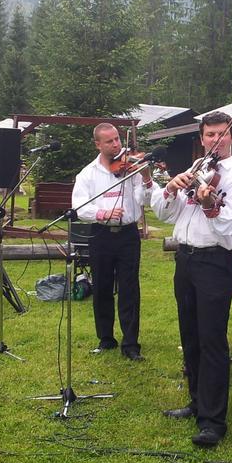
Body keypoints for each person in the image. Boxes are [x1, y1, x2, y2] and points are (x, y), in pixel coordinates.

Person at [151, 111, 232, 448]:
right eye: (210, 134)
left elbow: (230, 224)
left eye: (222, 134)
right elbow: (165, 215)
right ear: (202, 138)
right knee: (191, 335)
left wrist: (209, 202)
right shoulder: (197, 169)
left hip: (214, 261)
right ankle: (196, 403)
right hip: (186, 259)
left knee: (212, 341)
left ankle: (213, 421)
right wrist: (170, 187)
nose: (216, 140)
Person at [71, 123, 152, 361]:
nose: (117, 144)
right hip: (101, 235)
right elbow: (79, 206)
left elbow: (143, 200)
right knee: (102, 288)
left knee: (129, 288)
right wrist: (101, 214)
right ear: (98, 144)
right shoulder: (88, 173)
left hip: (128, 234)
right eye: (110, 141)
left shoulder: (132, 166)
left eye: (118, 139)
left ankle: (130, 343)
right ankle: (106, 338)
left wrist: (144, 176)